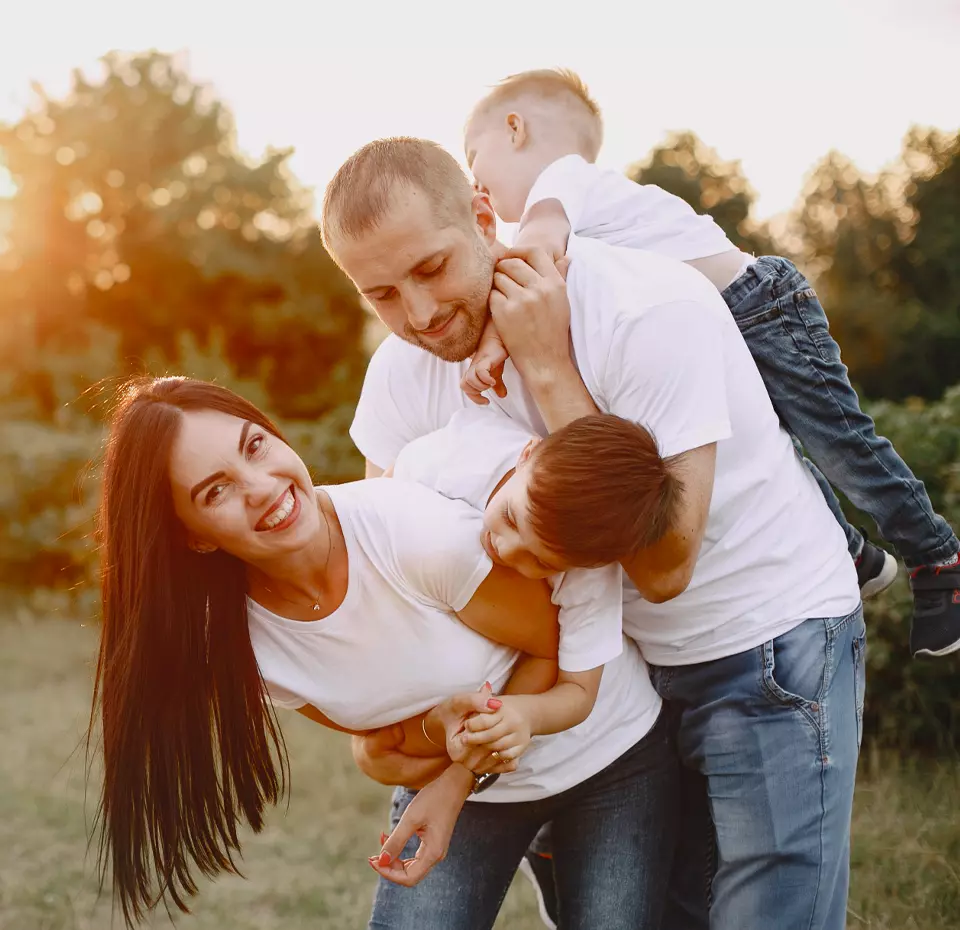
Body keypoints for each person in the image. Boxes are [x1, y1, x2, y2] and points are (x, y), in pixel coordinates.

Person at [322, 135, 865, 930]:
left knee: (765, 916)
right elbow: (392, 575)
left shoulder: (645, 310)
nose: (422, 314)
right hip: (613, 681)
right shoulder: (404, 374)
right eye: (382, 295)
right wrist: (397, 733)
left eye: (432, 269)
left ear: (482, 215)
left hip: (761, 643)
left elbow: (665, 562)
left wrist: (548, 367)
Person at [89, 375, 676, 930]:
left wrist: (451, 782)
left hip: (608, 757)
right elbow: (382, 746)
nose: (262, 486)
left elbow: (552, 655)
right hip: (485, 781)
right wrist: (433, 730)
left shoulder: (416, 533)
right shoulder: (243, 648)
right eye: (216, 490)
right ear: (191, 532)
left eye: (255, 446)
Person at [460, 67, 960, 660]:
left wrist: (493, 343)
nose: (479, 187)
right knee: (769, 444)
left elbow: (535, 258)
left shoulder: (563, 183)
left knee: (838, 439)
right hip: (713, 325)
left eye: (475, 162)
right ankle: (854, 553)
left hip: (758, 308)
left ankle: (937, 560)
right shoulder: (581, 209)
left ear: (515, 129)